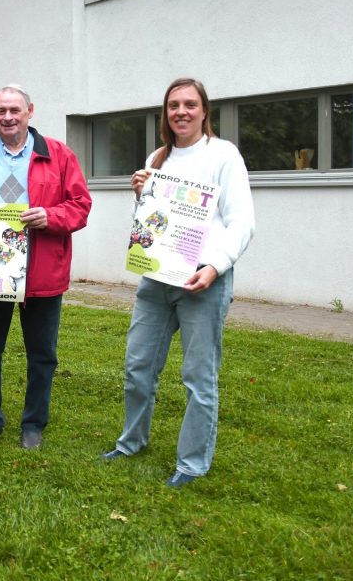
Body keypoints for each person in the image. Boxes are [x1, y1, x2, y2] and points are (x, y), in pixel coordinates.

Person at [102, 78, 255, 488]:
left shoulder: (224, 155)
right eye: (173, 105)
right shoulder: (159, 156)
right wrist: (141, 194)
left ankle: (192, 463)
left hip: (202, 281)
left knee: (198, 376)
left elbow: (242, 222)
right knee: (138, 366)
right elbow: (154, 220)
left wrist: (216, 267)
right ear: (166, 112)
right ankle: (131, 441)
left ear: (205, 111)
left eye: (190, 104)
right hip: (157, 279)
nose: (181, 112)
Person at [0, 84, 91, 450]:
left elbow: (80, 205)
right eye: (1, 111)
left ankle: (33, 425)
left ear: (30, 111)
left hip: (42, 271)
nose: (8, 117)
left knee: (42, 354)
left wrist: (51, 215)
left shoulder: (59, 155)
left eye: (15, 110)